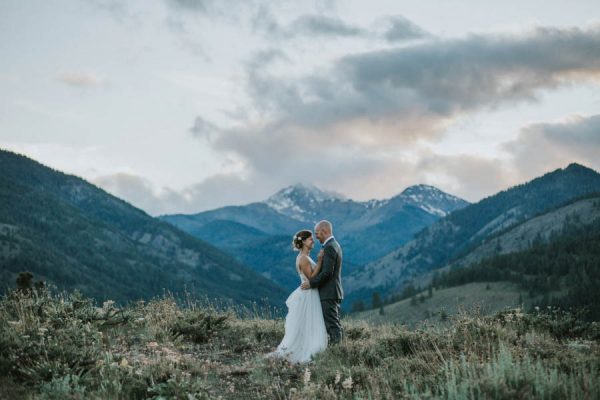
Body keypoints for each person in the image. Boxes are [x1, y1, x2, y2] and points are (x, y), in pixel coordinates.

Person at [268, 230, 328, 363]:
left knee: (307, 323)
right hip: (308, 294)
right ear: (304, 242)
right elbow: (311, 277)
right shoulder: (303, 258)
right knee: (307, 323)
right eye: (310, 239)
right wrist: (319, 261)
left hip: (309, 292)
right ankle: (302, 351)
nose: (313, 241)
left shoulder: (304, 257)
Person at [301, 220, 343, 344]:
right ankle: (338, 349)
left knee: (332, 325)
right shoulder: (333, 245)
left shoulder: (330, 247)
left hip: (329, 293)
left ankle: (338, 351)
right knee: (333, 323)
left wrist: (311, 283)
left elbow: (327, 273)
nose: (316, 236)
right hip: (332, 292)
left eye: (317, 233)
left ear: (324, 231)